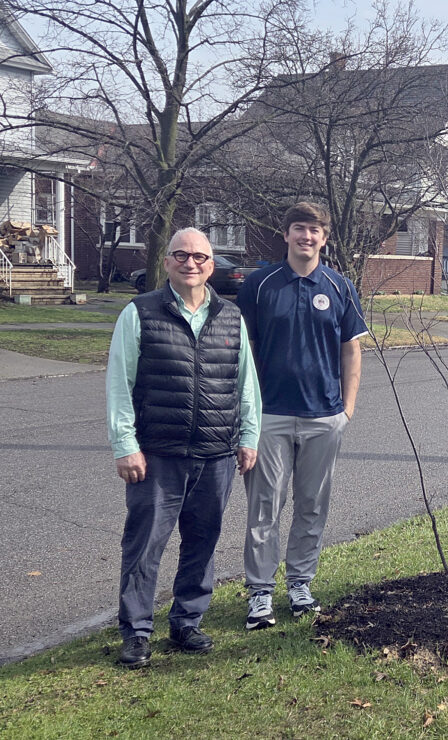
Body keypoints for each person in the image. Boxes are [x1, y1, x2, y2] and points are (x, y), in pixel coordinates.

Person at [106, 228, 261, 668]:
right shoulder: (140, 312)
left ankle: (187, 621)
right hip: (158, 453)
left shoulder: (230, 316)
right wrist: (125, 445)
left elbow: (245, 384)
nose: (190, 263)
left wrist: (248, 437)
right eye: (181, 255)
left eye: (199, 257)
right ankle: (136, 631)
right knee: (144, 545)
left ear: (211, 265)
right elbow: (120, 384)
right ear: (167, 262)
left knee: (202, 542)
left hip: (216, 453)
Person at [236, 202, 369, 630]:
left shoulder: (340, 286)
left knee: (312, 505)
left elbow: (351, 350)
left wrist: (347, 408)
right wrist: (247, 412)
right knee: (264, 507)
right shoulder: (259, 285)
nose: (306, 236)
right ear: (286, 234)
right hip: (270, 415)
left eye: (314, 230)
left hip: (323, 417)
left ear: (324, 238)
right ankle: (260, 592)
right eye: (299, 228)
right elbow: (243, 351)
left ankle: (300, 585)